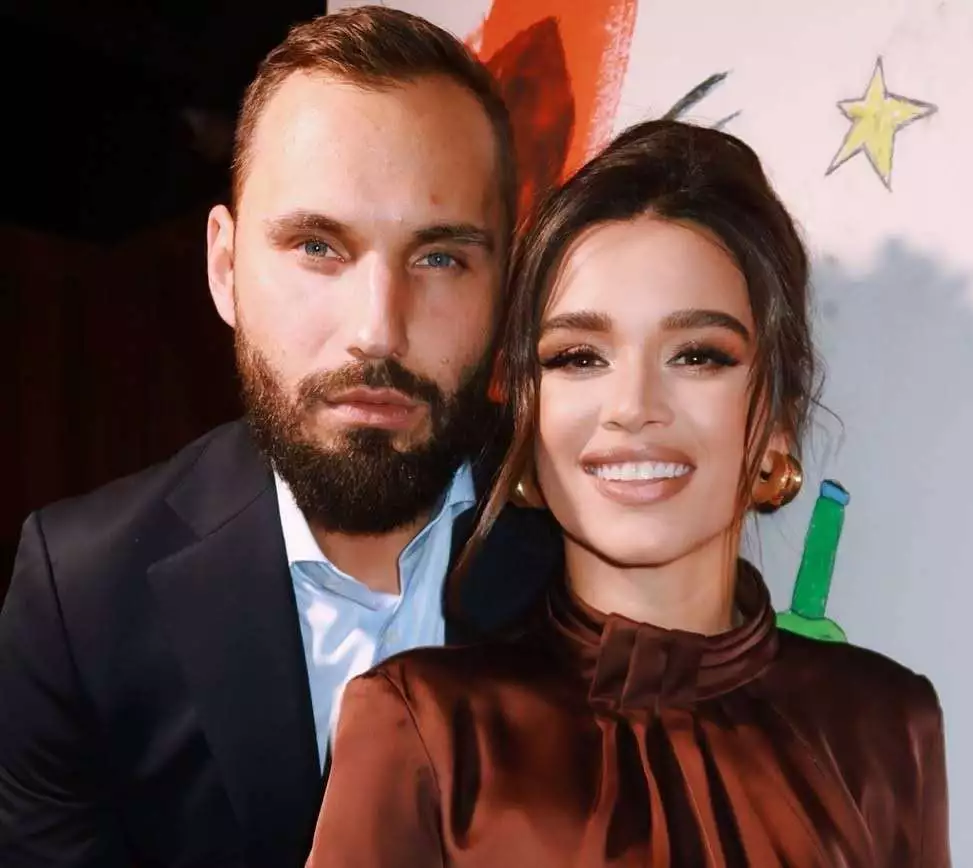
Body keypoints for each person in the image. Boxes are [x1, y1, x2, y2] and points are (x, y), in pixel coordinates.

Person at [0, 8, 561, 868]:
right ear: (225, 267)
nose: (377, 332)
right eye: (317, 246)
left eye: (440, 258)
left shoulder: (593, 546)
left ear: (507, 281)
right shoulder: (82, 598)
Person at [308, 120, 952, 868]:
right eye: (580, 357)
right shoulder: (423, 729)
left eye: (698, 355)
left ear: (776, 419)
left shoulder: (885, 726)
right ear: (529, 414)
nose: (633, 406)